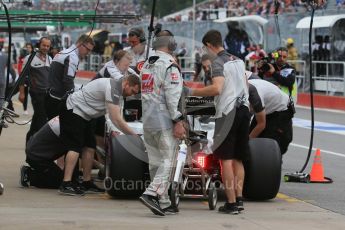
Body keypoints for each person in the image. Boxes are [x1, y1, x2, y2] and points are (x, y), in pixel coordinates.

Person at [185, 29, 250, 214]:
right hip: (244, 110)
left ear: (208, 46)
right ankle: (239, 199)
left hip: (228, 113)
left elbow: (216, 88)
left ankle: (230, 203)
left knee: (225, 160)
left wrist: (191, 91)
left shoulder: (217, 62)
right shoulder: (238, 60)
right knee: (238, 158)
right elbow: (246, 84)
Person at [58, 75, 140, 195]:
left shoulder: (118, 91)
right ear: (127, 83)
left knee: (90, 147)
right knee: (74, 147)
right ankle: (65, 183)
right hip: (74, 109)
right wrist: (133, 136)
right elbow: (116, 119)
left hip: (87, 115)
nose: (132, 94)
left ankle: (86, 182)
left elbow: (116, 117)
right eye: (132, 91)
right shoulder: (113, 88)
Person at [139, 30, 186, 216]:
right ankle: (151, 193)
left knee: (156, 163)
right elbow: (172, 97)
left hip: (147, 121)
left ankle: (164, 201)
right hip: (164, 120)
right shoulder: (169, 65)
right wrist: (178, 121)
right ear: (170, 43)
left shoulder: (147, 64)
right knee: (170, 161)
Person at [19, 116, 104, 193]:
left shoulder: (71, 118)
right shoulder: (71, 127)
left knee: (70, 178)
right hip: (36, 156)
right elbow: (79, 152)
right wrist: (101, 167)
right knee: (60, 181)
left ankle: (73, 179)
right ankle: (29, 175)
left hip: (39, 151)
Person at [45, 34, 95, 120]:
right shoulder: (72, 56)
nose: (88, 53)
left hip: (51, 96)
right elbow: (68, 81)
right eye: (87, 49)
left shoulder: (64, 52)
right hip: (57, 99)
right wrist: (77, 99)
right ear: (80, 44)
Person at [18, 37, 52, 143]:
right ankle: (39, 144)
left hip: (48, 94)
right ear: (39, 45)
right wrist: (22, 93)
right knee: (41, 119)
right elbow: (22, 77)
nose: (45, 48)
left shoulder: (50, 59)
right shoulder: (30, 58)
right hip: (36, 93)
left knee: (38, 119)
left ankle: (30, 141)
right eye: (44, 45)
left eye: (48, 46)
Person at [248, 78, 293, 155]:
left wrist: (245, 143)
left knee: (271, 145)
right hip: (265, 108)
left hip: (281, 110)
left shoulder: (254, 94)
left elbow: (261, 124)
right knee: (252, 134)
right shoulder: (236, 88)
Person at [17, 42, 34, 115]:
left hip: (31, 78)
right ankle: (25, 109)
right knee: (24, 93)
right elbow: (20, 68)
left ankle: (33, 109)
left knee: (33, 94)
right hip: (23, 78)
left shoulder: (33, 57)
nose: (28, 49)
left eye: (29, 47)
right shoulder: (22, 57)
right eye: (27, 47)